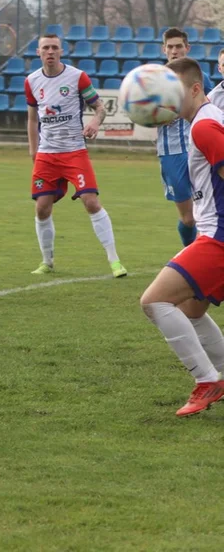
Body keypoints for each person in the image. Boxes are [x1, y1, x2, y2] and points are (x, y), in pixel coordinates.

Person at [139, 55, 224, 417]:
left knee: (154, 301)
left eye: (174, 93)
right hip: (214, 233)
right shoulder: (204, 122)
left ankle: (207, 380)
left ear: (194, 89)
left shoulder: (204, 127)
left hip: (219, 238)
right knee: (190, 310)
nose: (168, 101)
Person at [24, 33, 126, 277]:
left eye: (54, 48)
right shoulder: (31, 81)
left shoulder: (77, 77)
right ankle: (47, 262)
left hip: (74, 152)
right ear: (38, 52)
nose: (50, 52)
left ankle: (114, 261)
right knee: (42, 208)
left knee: (91, 202)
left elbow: (99, 107)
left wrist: (94, 123)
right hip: (47, 154)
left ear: (61, 51)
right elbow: (31, 118)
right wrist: (32, 148)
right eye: (46, 48)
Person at [158, 28, 214, 248]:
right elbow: (142, 114)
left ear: (187, 48)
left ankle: (203, 262)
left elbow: (213, 106)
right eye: (170, 47)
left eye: (178, 46)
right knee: (188, 218)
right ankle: (189, 254)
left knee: (207, 213)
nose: (174, 51)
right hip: (171, 154)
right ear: (164, 50)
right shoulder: (153, 80)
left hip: (200, 149)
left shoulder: (201, 78)